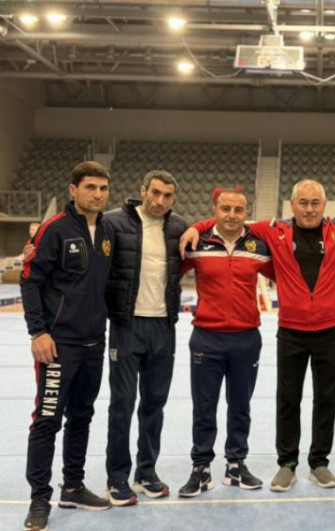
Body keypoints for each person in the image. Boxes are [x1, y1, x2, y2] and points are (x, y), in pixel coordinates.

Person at [180, 179, 335, 492]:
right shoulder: (274, 230)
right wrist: (197, 226)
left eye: (315, 203)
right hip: (291, 330)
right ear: (292, 205)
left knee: (326, 399)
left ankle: (319, 463)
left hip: (330, 330)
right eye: (303, 203)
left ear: (324, 206)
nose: (309, 209)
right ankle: (287, 464)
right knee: (288, 399)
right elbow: (230, 221)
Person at [21, 161, 114, 531]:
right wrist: (38, 333)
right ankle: (39, 498)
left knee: (82, 415)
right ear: (73, 189)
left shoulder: (108, 230)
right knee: (47, 420)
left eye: (103, 188)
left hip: (94, 342)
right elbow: (30, 280)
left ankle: (73, 486)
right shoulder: (55, 229)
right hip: (58, 346)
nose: (97, 194)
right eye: (90, 187)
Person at [178, 187, 274, 497]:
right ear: (215, 211)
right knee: (204, 407)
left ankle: (236, 464)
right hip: (207, 338)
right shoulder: (197, 244)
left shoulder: (259, 246)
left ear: (247, 213)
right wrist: (198, 227)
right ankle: (201, 467)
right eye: (225, 209)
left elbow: (285, 274)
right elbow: (169, 274)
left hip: (246, 339)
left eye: (238, 210)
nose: (232, 215)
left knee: (241, 406)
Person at [103, 170, 188, 505]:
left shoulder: (179, 227)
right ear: (143, 191)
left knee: (154, 404)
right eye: (155, 193)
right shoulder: (114, 223)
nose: (160, 201)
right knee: (122, 404)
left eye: (167, 195)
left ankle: (146, 471)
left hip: (163, 327)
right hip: (126, 325)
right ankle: (117, 476)